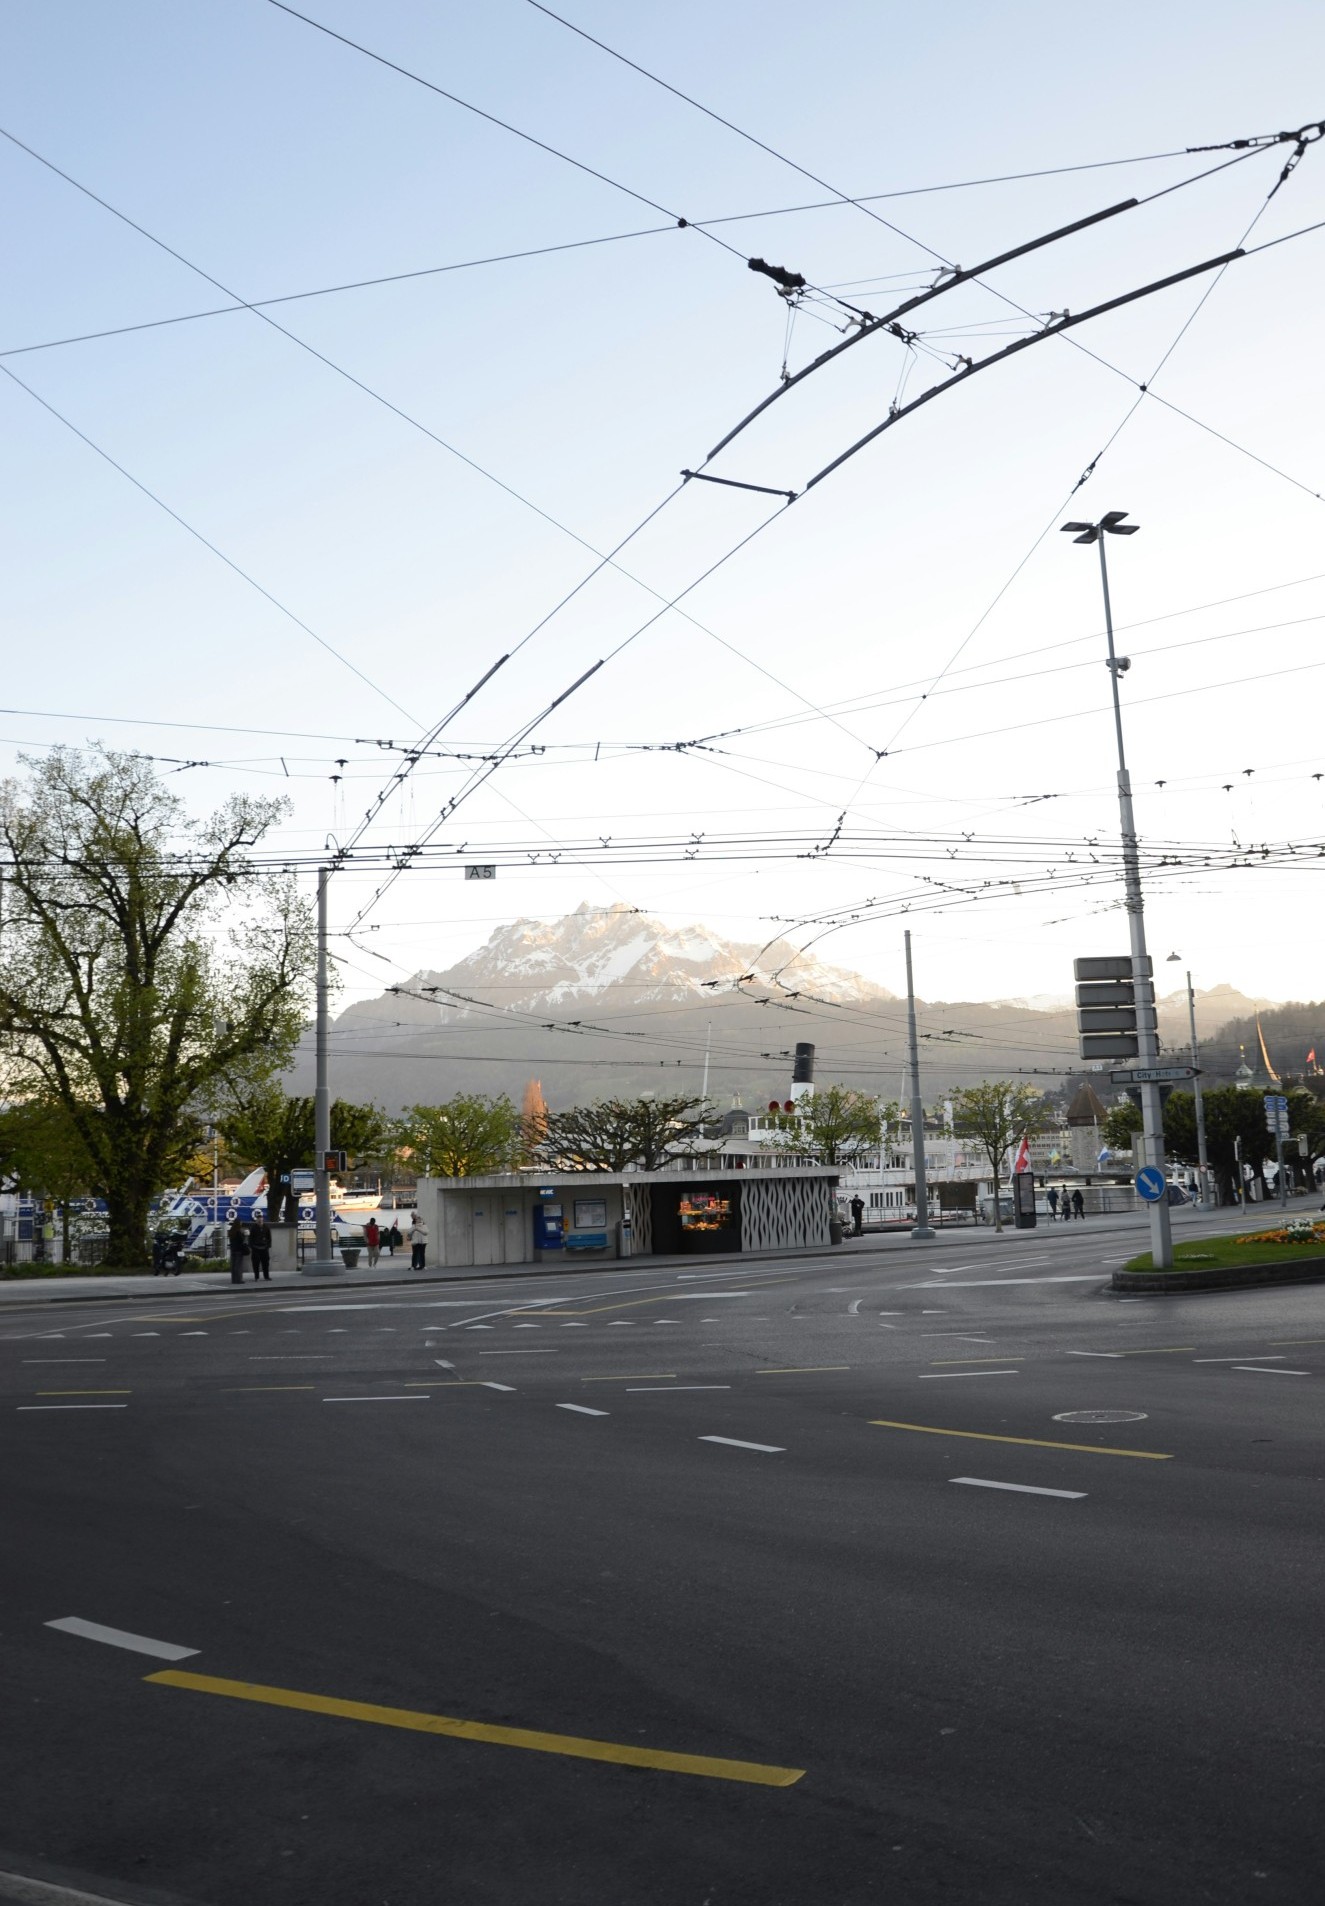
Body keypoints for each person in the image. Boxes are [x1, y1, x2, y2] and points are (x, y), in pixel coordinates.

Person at [227, 1217, 250, 1286]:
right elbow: (241, 1241)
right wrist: (245, 1235)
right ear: (238, 1224)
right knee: (239, 1266)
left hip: (233, 1250)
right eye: (240, 1223)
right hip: (239, 1250)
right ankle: (239, 1279)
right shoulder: (238, 1232)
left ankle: (234, 1279)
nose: (241, 1224)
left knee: (234, 1266)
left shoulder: (231, 1231)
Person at [248, 1216, 272, 1281]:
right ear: (256, 1221)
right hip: (256, 1248)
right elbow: (250, 1238)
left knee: (265, 1263)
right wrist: (252, 1246)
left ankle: (266, 1276)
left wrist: (268, 1246)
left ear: (263, 1221)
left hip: (264, 1248)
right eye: (259, 1221)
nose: (260, 1222)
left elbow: (269, 1238)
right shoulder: (253, 1228)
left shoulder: (266, 1227)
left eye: (261, 1221)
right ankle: (256, 1277)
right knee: (256, 1263)